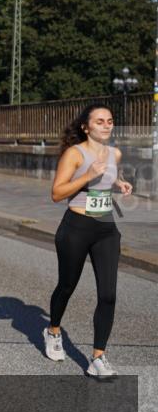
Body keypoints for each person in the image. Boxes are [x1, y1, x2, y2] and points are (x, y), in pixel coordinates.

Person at [46, 104, 132, 378]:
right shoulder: (74, 153)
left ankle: (98, 357)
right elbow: (57, 193)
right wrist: (86, 176)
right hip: (76, 228)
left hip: (106, 229)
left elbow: (106, 174)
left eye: (110, 121)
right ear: (86, 127)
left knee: (108, 294)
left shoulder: (114, 153)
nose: (106, 125)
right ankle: (53, 330)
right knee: (67, 286)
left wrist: (118, 182)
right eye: (99, 121)